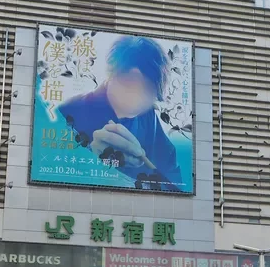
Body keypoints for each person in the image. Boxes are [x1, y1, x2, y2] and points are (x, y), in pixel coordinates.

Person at [57, 35, 184, 190]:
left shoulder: (149, 117)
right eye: (129, 82)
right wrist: (91, 157)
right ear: (111, 74)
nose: (137, 97)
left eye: (148, 90)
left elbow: (176, 186)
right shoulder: (68, 111)